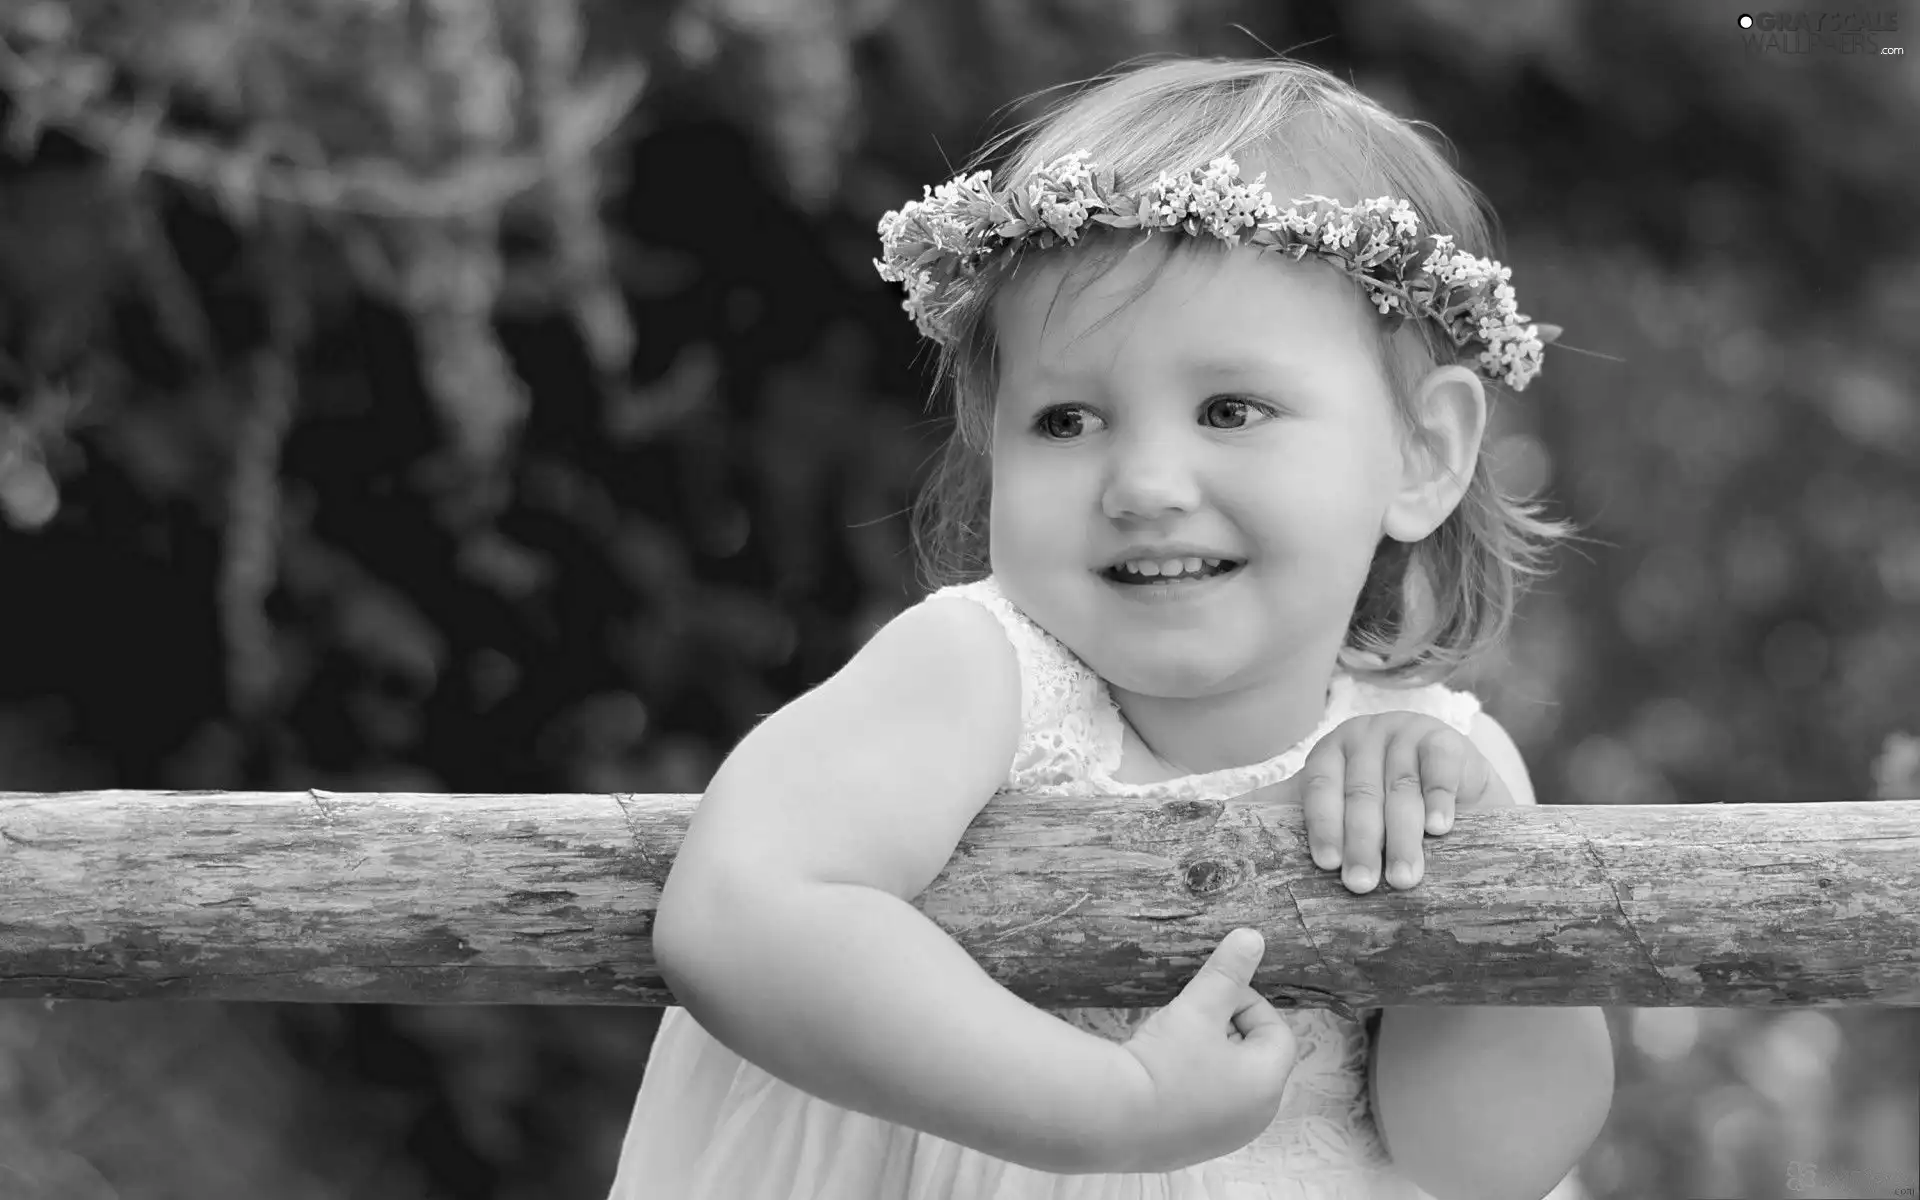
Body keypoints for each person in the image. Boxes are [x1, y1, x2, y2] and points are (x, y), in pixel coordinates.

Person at [609, 55, 1615, 1200]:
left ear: (1424, 452)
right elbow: (738, 908)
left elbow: (1494, 1163)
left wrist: (1464, 888)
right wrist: (1111, 1108)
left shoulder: (1446, 764)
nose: (1144, 483)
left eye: (1232, 409)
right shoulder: (980, 675)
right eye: (1068, 418)